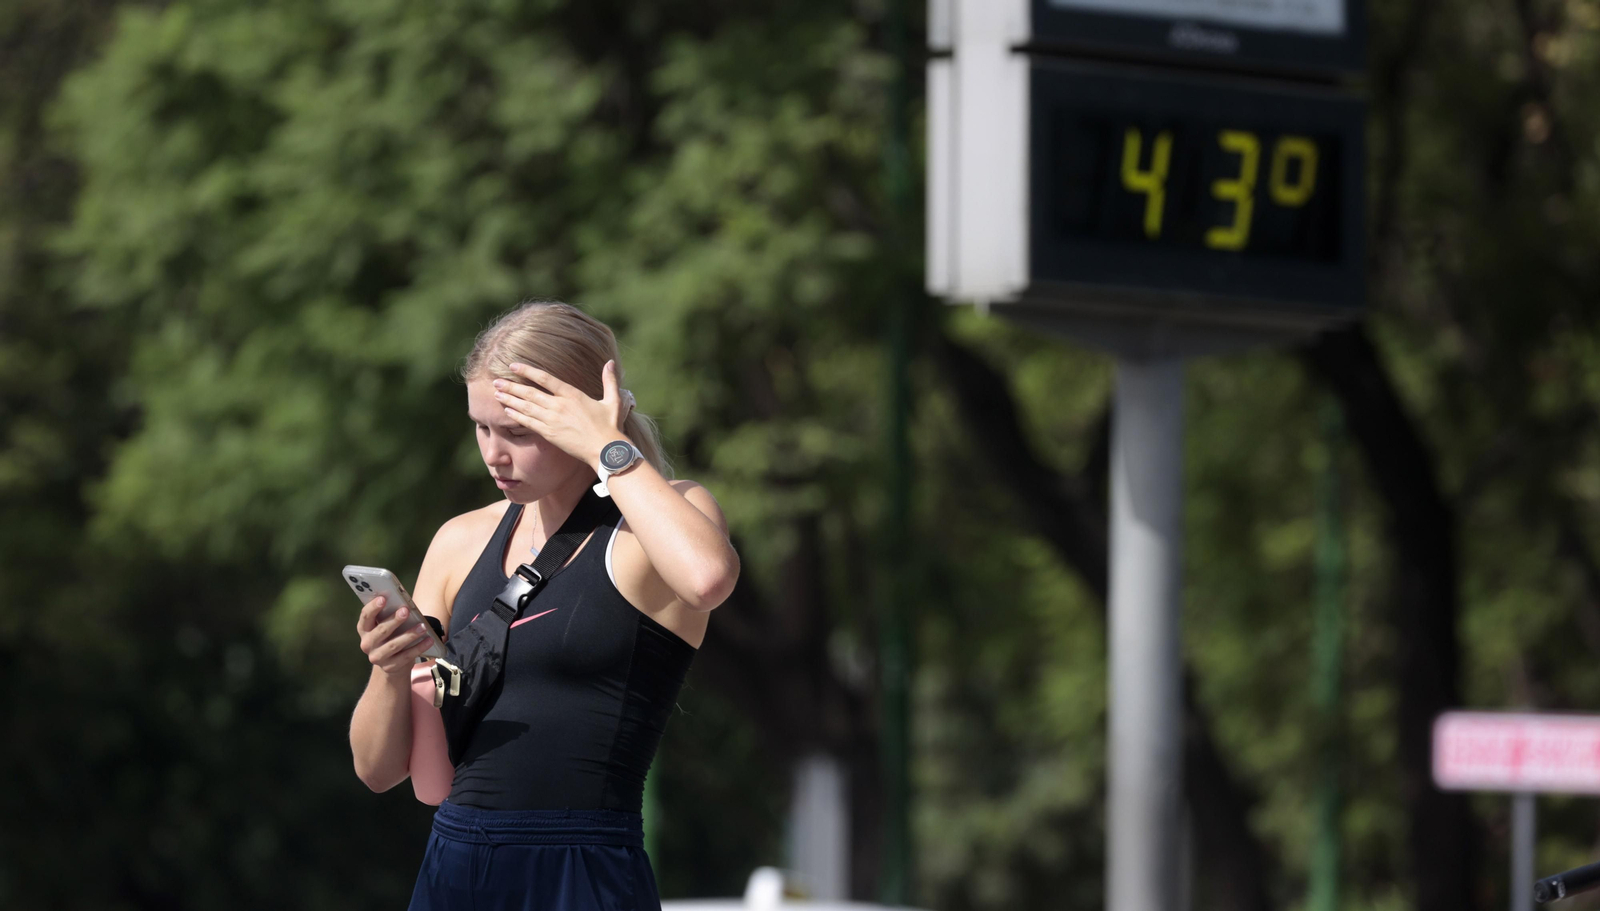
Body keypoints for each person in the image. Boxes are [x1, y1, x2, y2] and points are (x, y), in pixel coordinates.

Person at [347, 301, 740, 911]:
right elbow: (376, 770)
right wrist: (388, 669)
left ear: (579, 415)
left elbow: (708, 578)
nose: (494, 455)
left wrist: (606, 444)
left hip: (579, 866)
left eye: (520, 431)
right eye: (482, 426)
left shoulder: (655, 525)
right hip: (453, 863)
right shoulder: (460, 539)